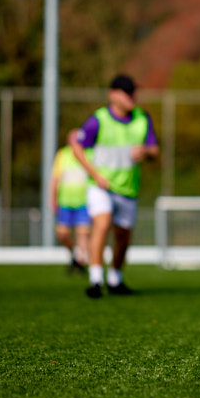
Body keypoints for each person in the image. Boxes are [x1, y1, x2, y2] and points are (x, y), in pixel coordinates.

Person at [69, 74, 160, 299]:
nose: (132, 97)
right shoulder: (98, 119)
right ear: (113, 95)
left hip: (128, 188)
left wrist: (145, 151)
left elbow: (154, 150)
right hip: (101, 186)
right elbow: (77, 147)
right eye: (126, 93)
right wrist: (95, 174)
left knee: (123, 236)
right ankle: (96, 279)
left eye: (133, 92)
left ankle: (115, 279)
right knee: (102, 223)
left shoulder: (142, 118)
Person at [50, 143, 91, 274]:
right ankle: (75, 255)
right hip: (65, 202)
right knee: (62, 234)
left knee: (83, 234)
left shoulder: (89, 153)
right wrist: (53, 198)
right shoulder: (63, 155)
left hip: (84, 202)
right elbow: (55, 179)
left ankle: (81, 262)